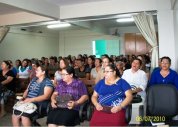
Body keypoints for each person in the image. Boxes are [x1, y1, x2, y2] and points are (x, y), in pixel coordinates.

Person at [122, 58, 148, 125]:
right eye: (134, 62)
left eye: (137, 63)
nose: (135, 64)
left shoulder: (142, 73)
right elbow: (122, 83)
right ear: (131, 63)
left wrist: (132, 91)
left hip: (139, 95)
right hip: (127, 94)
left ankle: (138, 122)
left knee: (138, 110)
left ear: (140, 66)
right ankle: (126, 120)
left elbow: (143, 86)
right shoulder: (126, 72)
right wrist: (128, 92)